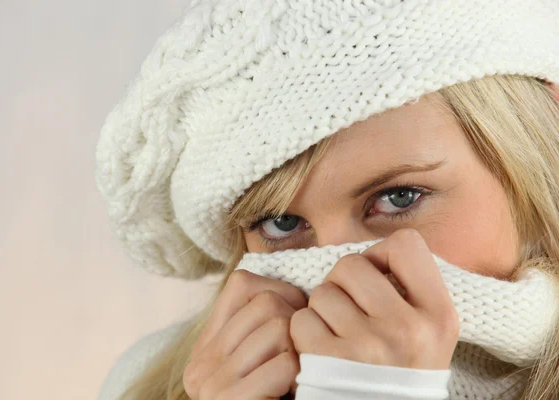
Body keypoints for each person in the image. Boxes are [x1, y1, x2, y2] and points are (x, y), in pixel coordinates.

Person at [94, 0, 559, 399]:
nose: (338, 270)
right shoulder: (149, 384)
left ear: (530, 167)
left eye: (399, 198)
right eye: (280, 224)